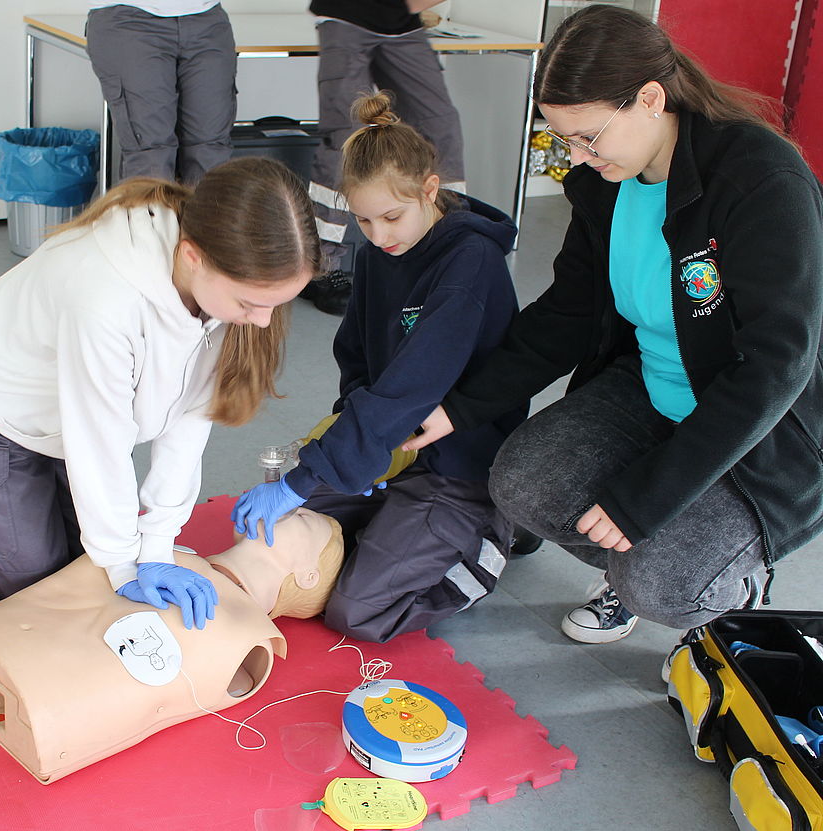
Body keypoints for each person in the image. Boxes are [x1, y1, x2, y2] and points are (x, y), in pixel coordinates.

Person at [402, 5, 823, 647]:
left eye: (588, 137)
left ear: (650, 100)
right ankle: (638, 568)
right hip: (654, 385)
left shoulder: (761, 179)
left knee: (663, 581)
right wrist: (459, 406)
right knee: (522, 483)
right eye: (563, 140)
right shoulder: (606, 182)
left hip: (761, 427)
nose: (577, 156)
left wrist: (644, 499)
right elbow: (568, 313)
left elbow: (774, 369)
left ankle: (728, 595)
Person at [0, 156, 321, 624]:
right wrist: (122, 561)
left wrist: (157, 545)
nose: (263, 321)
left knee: (85, 574)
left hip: (73, 416)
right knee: (29, 603)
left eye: (276, 305)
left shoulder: (220, 289)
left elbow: (190, 420)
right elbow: (100, 440)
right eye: (250, 303)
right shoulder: (106, 299)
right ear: (193, 257)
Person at [232, 92, 525, 644]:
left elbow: (411, 387)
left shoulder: (470, 262)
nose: (379, 235)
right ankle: (395, 522)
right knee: (274, 529)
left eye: (392, 217)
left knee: (355, 611)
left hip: (457, 463)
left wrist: (310, 477)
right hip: (396, 447)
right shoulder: (376, 254)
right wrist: (351, 455)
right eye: (363, 220)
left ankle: (493, 539)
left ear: (430, 190)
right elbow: (359, 360)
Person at [0, 508, 345, 784]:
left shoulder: (250, 635)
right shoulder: (174, 549)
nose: (289, 506)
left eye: (303, 516)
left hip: (45, 704)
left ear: (307, 576)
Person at [299, 0, 466, 316]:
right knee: (345, 138)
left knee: (441, 127)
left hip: (401, 24)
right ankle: (321, 266)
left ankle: (450, 242)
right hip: (345, 15)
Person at [85, 0, 237, 184]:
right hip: (130, 19)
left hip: (207, 18)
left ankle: (207, 205)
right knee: (151, 157)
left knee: (211, 153)